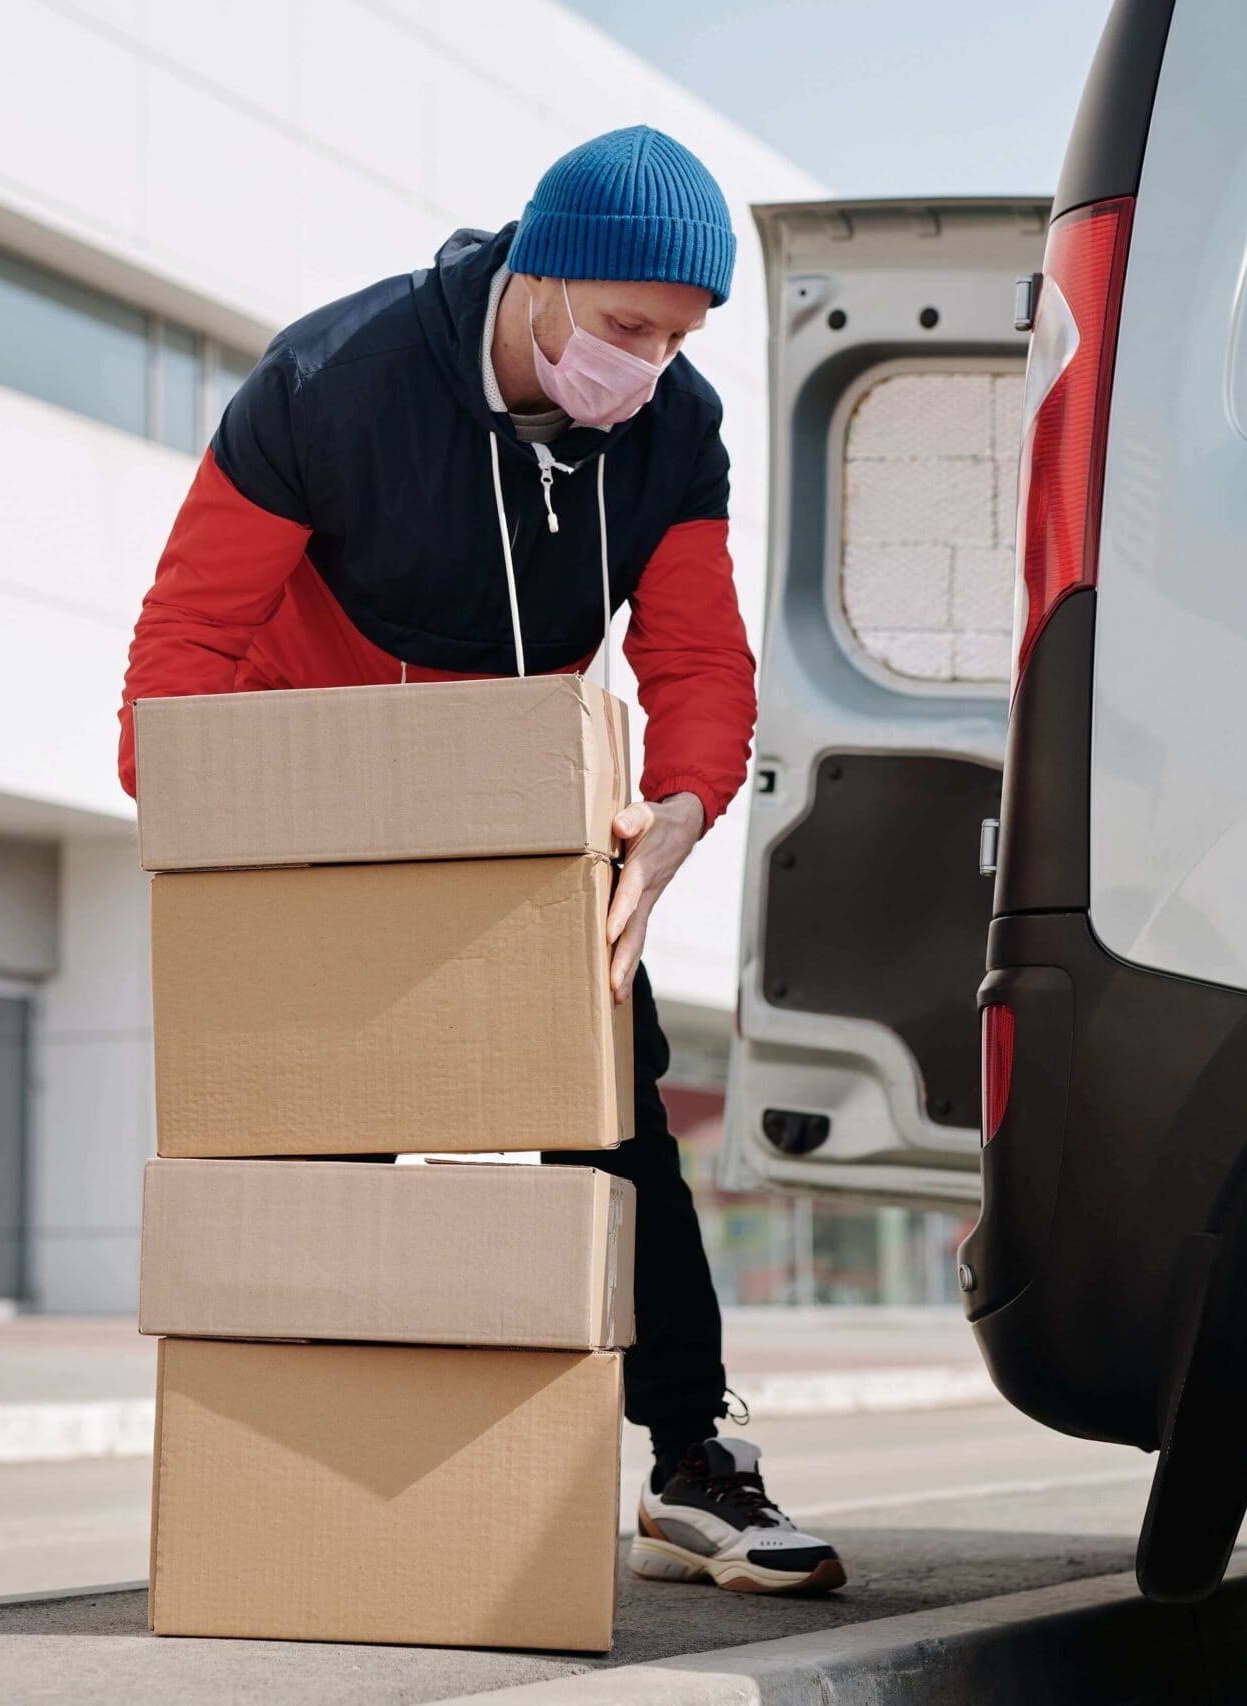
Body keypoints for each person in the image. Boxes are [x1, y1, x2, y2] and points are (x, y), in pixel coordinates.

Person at [117, 126, 844, 1597]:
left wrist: (685, 807)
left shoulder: (669, 427)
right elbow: (182, 646)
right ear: (536, 280)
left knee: (617, 1117)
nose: (646, 365)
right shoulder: (333, 382)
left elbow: (700, 652)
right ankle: (308, 1480)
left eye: (677, 338)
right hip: (315, 800)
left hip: (514, 807)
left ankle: (694, 1455)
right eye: (627, 328)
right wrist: (212, 842)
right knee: (327, 1151)